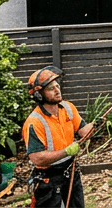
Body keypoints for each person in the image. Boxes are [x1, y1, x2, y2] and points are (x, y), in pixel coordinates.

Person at [23, 66, 94, 208]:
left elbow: (83, 132)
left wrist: (95, 125)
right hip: (48, 178)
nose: (57, 90)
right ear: (39, 95)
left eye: (57, 85)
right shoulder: (34, 122)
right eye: (51, 88)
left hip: (70, 171)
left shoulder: (68, 108)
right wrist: (66, 152)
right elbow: (36, 157)